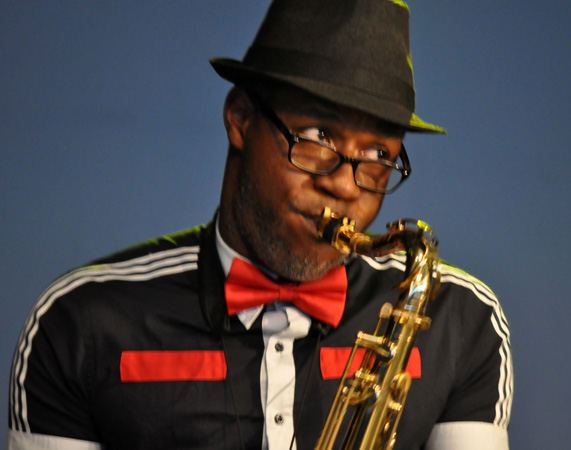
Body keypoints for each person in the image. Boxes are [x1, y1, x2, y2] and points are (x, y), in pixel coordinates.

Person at [7, 0, 513, 449]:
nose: (345, 186)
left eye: (379, 153)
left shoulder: (461, 320)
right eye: (317, 134)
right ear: (241, 118)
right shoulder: (78, 324)